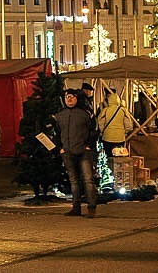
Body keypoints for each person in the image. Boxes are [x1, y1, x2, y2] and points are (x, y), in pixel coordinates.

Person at [53, 89, 98, 218]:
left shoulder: (85, 114)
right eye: (67, 97)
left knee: (88, 179)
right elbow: (56, 133)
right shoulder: (60, 115)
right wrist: (59, 148)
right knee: (74, 181)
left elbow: (94, 131)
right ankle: (76, 207)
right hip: (67, 152)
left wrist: (89, 145)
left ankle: (91, 207)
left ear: (77, 98)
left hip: (83, 151)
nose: (69, 99)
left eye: (72, 97)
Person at [96, 88, 128, 158]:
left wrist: (102, 131)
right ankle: (118, 168)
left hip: (107, 137)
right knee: (119, 155)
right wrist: (125, 132)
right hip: (120, 137)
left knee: (108, 156)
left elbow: (100, 121)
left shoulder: (105, 110)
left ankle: (110, 168)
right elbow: (128, 123)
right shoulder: (123, 110)